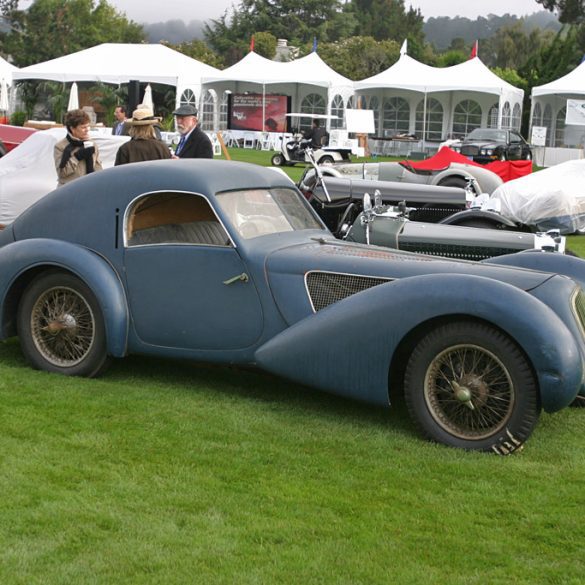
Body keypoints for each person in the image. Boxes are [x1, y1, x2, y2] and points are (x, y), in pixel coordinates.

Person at [54, 109, 102, 186]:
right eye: (83, 127)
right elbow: (62, 173)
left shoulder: (92, 144)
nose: (87, 130)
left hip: (89, 188)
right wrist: (76, 157)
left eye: (88, 126)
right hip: (69, 190)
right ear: (72, 129)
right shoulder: (60, 146)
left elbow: (98, 168)